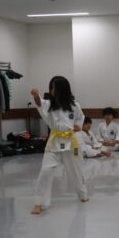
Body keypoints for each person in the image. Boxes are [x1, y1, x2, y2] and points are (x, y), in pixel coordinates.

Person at [30, 76, 88, 215]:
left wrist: (75, 127)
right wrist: (36, 95)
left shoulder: (75, 105)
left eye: (54, 87)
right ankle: (39, 202)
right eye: (51, 87)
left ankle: (82, 194)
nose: (52, 90)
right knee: (46, 170)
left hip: (72, 143)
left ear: (62, 89)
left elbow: (80, 121)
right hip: (54, 142)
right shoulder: (50, 104)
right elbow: (39, 103)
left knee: (76, 170)